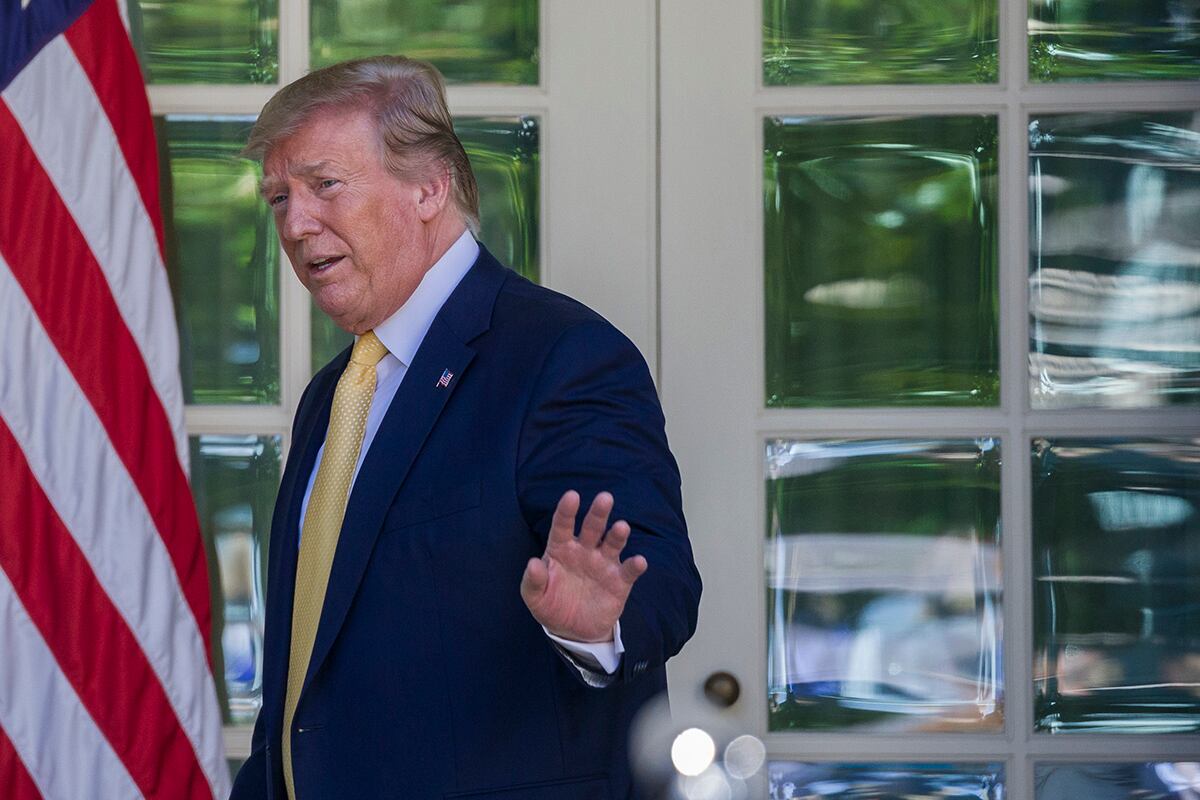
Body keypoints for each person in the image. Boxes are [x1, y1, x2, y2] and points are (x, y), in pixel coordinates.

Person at [229, 55, 701, 800]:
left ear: (430, 187)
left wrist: (595, 628)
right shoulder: (333, 394)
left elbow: (656, 582)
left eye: (324, 185)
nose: (295, 222)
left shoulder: (562, 357)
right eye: (278, 197)